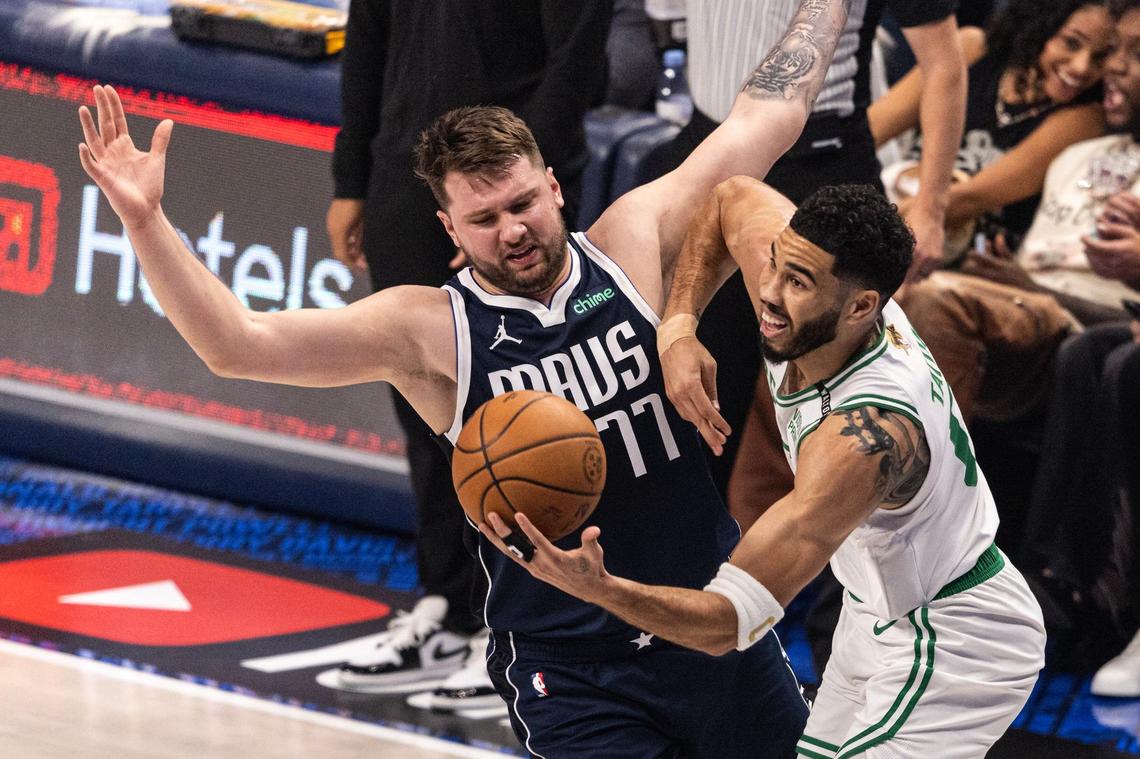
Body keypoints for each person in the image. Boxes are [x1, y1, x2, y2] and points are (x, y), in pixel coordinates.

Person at [74, 0, 851, 751]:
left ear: (553, 186)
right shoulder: (431, 330)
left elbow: (766, 116)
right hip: (574, 671)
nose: (513, 230)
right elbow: (239, 344)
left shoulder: (633, 243)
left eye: (523, 204)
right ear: (449, 228)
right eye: (484, 220)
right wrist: (144, 220)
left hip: (706, 626)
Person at [482, 179, 1046, 756]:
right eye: (775, 263)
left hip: (953, 635)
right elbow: (730, 197)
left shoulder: (863, 439)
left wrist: (597, 588)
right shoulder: (812, 299)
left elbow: (725, 625)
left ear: (861, 307)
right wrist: (678, 327)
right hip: (875, 610)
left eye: (797, 282)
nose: (768, 293)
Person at [324, 0, 611, 699]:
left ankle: (528, 633)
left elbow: (576, 56)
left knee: (531, 421)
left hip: (509, 194)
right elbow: (369, 34)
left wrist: (504, 209)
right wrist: (352, 177)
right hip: (406, 182)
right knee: (425, 410)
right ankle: (450, 608)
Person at [870, 0, 1115, 251]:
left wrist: (865, 230)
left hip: (965, 254)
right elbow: (870, 130)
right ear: (1040, 24)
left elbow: (968, 200)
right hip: (897, 209)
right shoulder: (971, 48)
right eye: (1071, 43)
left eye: (1101, 56)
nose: (1081, 67)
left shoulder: (1086, 118)